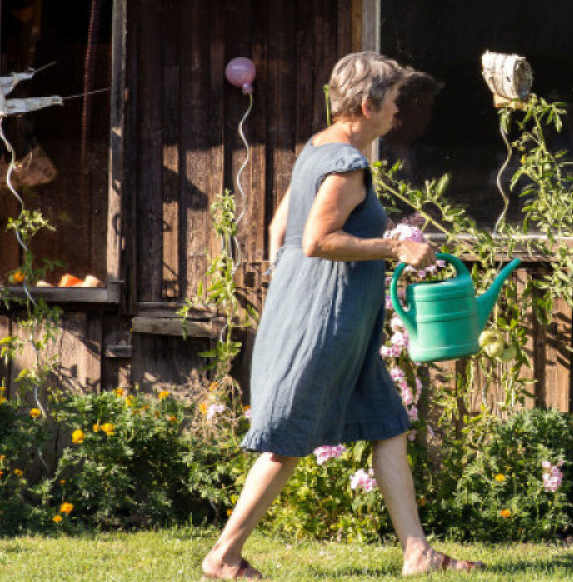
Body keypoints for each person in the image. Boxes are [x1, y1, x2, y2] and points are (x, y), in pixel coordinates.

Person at [202, 53, 479, 578]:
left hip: (328, 318)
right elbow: (318, 239)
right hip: (324, 325)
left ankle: (418, 554)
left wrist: (296, 287)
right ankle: (223, 556)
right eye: (394, 102)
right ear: (368, 105)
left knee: (388, 424)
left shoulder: (318, 148)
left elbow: (281, 229)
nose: (398, 112)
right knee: (285, 440)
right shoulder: (348, 164)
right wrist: (395, 249)